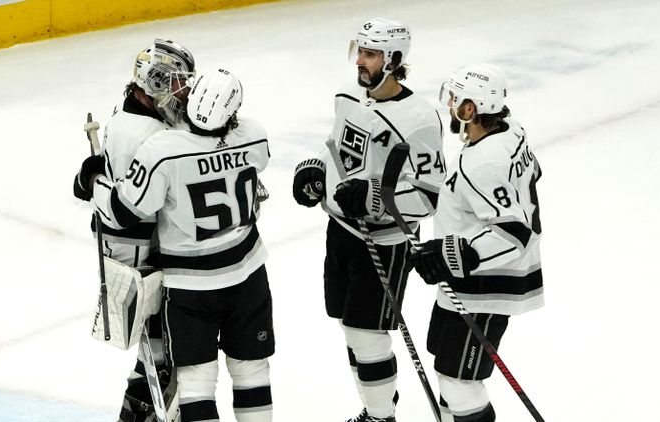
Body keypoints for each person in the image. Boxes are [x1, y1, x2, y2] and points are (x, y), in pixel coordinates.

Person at [80, 68, 274, 422]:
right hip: (248, 276)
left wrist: (94, 180)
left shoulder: (163, 152)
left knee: (196, 383)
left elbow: (123, 211)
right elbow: (245, 153)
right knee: (252, 372)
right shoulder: (255, 135)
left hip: (190, 286)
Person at [292, 17, 446, 422]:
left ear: (394, 60)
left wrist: (376, 197)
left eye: (371, 53)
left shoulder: (420, 119)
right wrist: (312, 171)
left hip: (384, 241)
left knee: (368, 335)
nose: (360, 60)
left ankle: (381, 418)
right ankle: (375, 410)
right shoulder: (347, 96)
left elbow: (430, 196)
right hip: (340, 231)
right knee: (351, 329)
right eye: (359, 50)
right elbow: (338, 151)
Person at [409, 63, 544, 422]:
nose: (450, 104)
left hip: (486, 284)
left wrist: (452, 251)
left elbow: (513, 232)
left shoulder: (484, 160)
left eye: (456, 99)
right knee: (446, 365)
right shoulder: (510, 131)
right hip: (467, 279)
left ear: (471, 109)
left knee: (459, 381)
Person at [73, 38, 195, 422]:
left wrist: (90, 177)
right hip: (145, 262)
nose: (184, 91)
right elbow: (143, 206)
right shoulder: (145, 135)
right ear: (155, 82)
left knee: (158, 363)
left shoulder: (134, 116)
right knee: (163, 364)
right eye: (176, 82)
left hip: (134, 255)